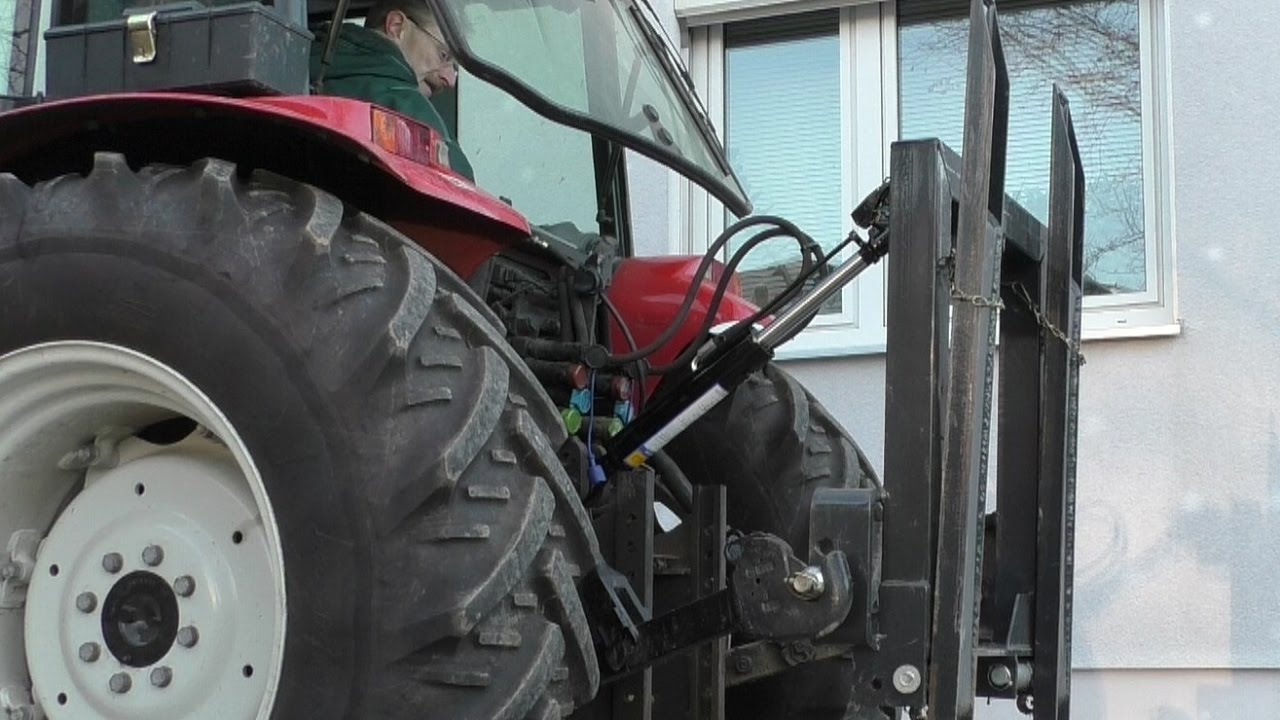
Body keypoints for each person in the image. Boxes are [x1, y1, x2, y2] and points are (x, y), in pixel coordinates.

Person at [310, 0, 475, 180]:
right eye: (443, 55)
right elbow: (462, 181)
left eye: (455, 68)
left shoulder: (301, 61)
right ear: (396, 27)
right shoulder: (399, 97)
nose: (450, 80)